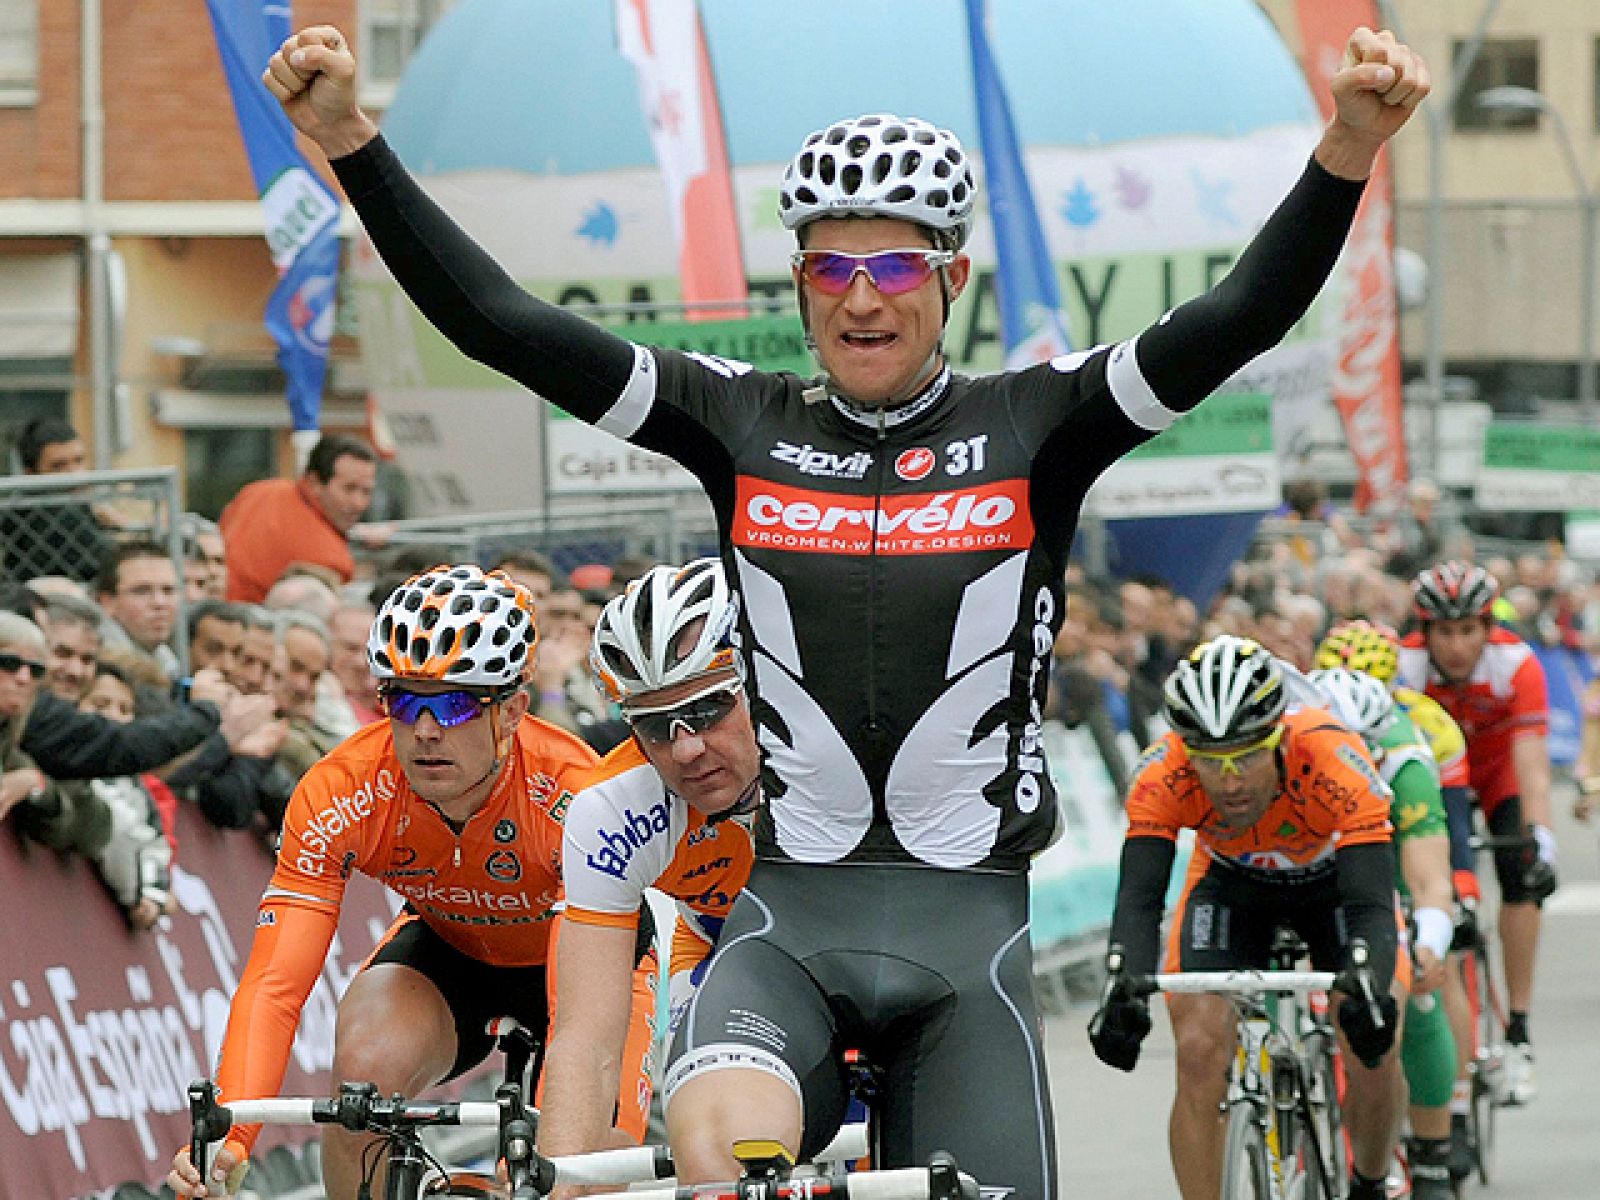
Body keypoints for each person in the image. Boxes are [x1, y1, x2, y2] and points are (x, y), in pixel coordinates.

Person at [265, 23, 1429, 1192]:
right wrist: (351, 143)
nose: (861, 297)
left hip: (970, 935)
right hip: (791, 930)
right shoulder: (741, 424)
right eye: (831, 268)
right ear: (800, 285)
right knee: (714, 1148)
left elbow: (1240, 316)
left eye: (895, 267)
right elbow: (503, 324)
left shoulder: (1039, 425)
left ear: (951, 279)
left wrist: (1345, 147)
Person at [165, 565, 657, 1200]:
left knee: (572, 1173)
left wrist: (558, 1149)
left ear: (511, 713)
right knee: (365, 1071)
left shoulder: (574, 795)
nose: (425, 731)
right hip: (453, 949)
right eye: (403, 701)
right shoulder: (345, 788)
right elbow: (275, 986)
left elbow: (581, 1025)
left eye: (454, 704)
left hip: (592, 963)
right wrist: (229, 1139)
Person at [1091, 636, 1404, 1200]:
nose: (1230, 781)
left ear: (1279, 737)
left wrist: (1368, 980)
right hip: (1231, 888)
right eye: (1211, 762)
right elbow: (1139, 900)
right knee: (1197, 1051)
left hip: (1333, 887)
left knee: (1374, 1041)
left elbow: (1373, 906)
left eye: (1247, 756)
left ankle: (1372, 1180)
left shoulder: (1334, 758)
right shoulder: (1163, 775)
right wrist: (1122, 983)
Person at [541, 560, 759, 1168]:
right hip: (721, 945)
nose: (687, 748)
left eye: (711, 708)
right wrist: (562, 1172)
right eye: (657, 726)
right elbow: (586, 1039)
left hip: (865, 933)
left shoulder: (841, 755)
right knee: (712, 1141)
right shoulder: (612, 808)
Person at [1313, 618, 1481, 1179]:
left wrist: (1435, 932)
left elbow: (1439, 861)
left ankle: (1437, 1139)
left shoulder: (1416, 742)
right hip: (1321, 863)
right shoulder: (1297, 739)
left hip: (1401, 854)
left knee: (1427, 979)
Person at [1398, 561, 1554, 1106]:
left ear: (1488, 629)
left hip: (1497, 771)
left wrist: (1541, 837)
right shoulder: (1406, 666)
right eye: (1444, 631)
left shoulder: (1516, 663)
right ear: (1425, 632)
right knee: (1441, 891)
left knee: (1522, 876)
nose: (1457, 645)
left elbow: (1532, 765)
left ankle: (1518, 1027)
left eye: (1469, 630)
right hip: (1439, 777)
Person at [218, 433, 379, 603]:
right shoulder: (331, 560)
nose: (358, 503)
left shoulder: (257, 492)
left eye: (366, 491)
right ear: (315, 482)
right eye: (349, 489)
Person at [2, 417, 113, 584]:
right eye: (58, 466)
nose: (74, 474)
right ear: (31, 474)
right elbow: (110, 563)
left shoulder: (76, 504)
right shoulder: (46, 511)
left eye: (79, 460)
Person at [96, 540, 182, 682]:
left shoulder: (166, 659)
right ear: (107, 602)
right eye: (142, 591)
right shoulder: (97, 664)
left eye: (168, 590)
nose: (160, 603)